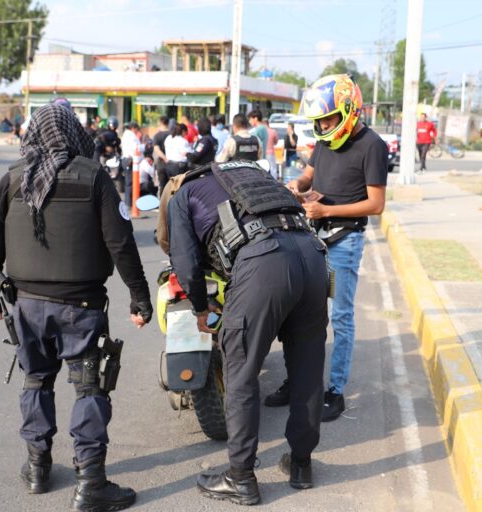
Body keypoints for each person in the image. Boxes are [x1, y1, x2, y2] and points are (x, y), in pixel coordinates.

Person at [0, 104, 152, 512]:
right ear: (74, 133)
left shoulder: (12, 180)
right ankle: (90, 482)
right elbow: (121, 245)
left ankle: (38, 468)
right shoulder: (95, 178)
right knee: (89, 387)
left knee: (36, 380)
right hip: (80, 307)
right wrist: (140, 299)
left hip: (26, 307)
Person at [165, 159, 328, 504]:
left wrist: (199, 307)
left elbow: (185, 261)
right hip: (313, 258)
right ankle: (301, 465)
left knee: (241, 371)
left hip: (262, 262)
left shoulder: (184, 193)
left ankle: (240, 478)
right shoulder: (253, 174)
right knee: (307, 369)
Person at [264, 74, 388, 423]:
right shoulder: (324, 141)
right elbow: (309, 174)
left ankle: (334, 391)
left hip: (344, 242)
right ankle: (299, 381)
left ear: (348, 111)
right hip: (312, 237)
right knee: (300, 313)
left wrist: (328, 210)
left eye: (328, 120)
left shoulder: (372, 145)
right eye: (318, 121)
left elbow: (376, 204)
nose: (322, 127)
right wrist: (296, 185)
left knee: (341, 317)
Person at [120, 122, 144, 206]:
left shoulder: (126, 134)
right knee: (130, 182)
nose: (137, 131)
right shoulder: (131, 136)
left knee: (129, 182)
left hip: (126, 159)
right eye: (137, 129)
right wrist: (143, 147)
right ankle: (129, 202)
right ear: (133, 128)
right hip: (130, 160)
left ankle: (129, 201)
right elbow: (136, 148)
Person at [151, 116, 170, 196]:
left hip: (161, 163)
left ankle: (162, 204)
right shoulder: (172, 134)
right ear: (168, 123)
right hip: (172, 163)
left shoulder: (157, 136)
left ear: (160, 122)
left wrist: (165, 158)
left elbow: (157, 150)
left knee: (162, 184)